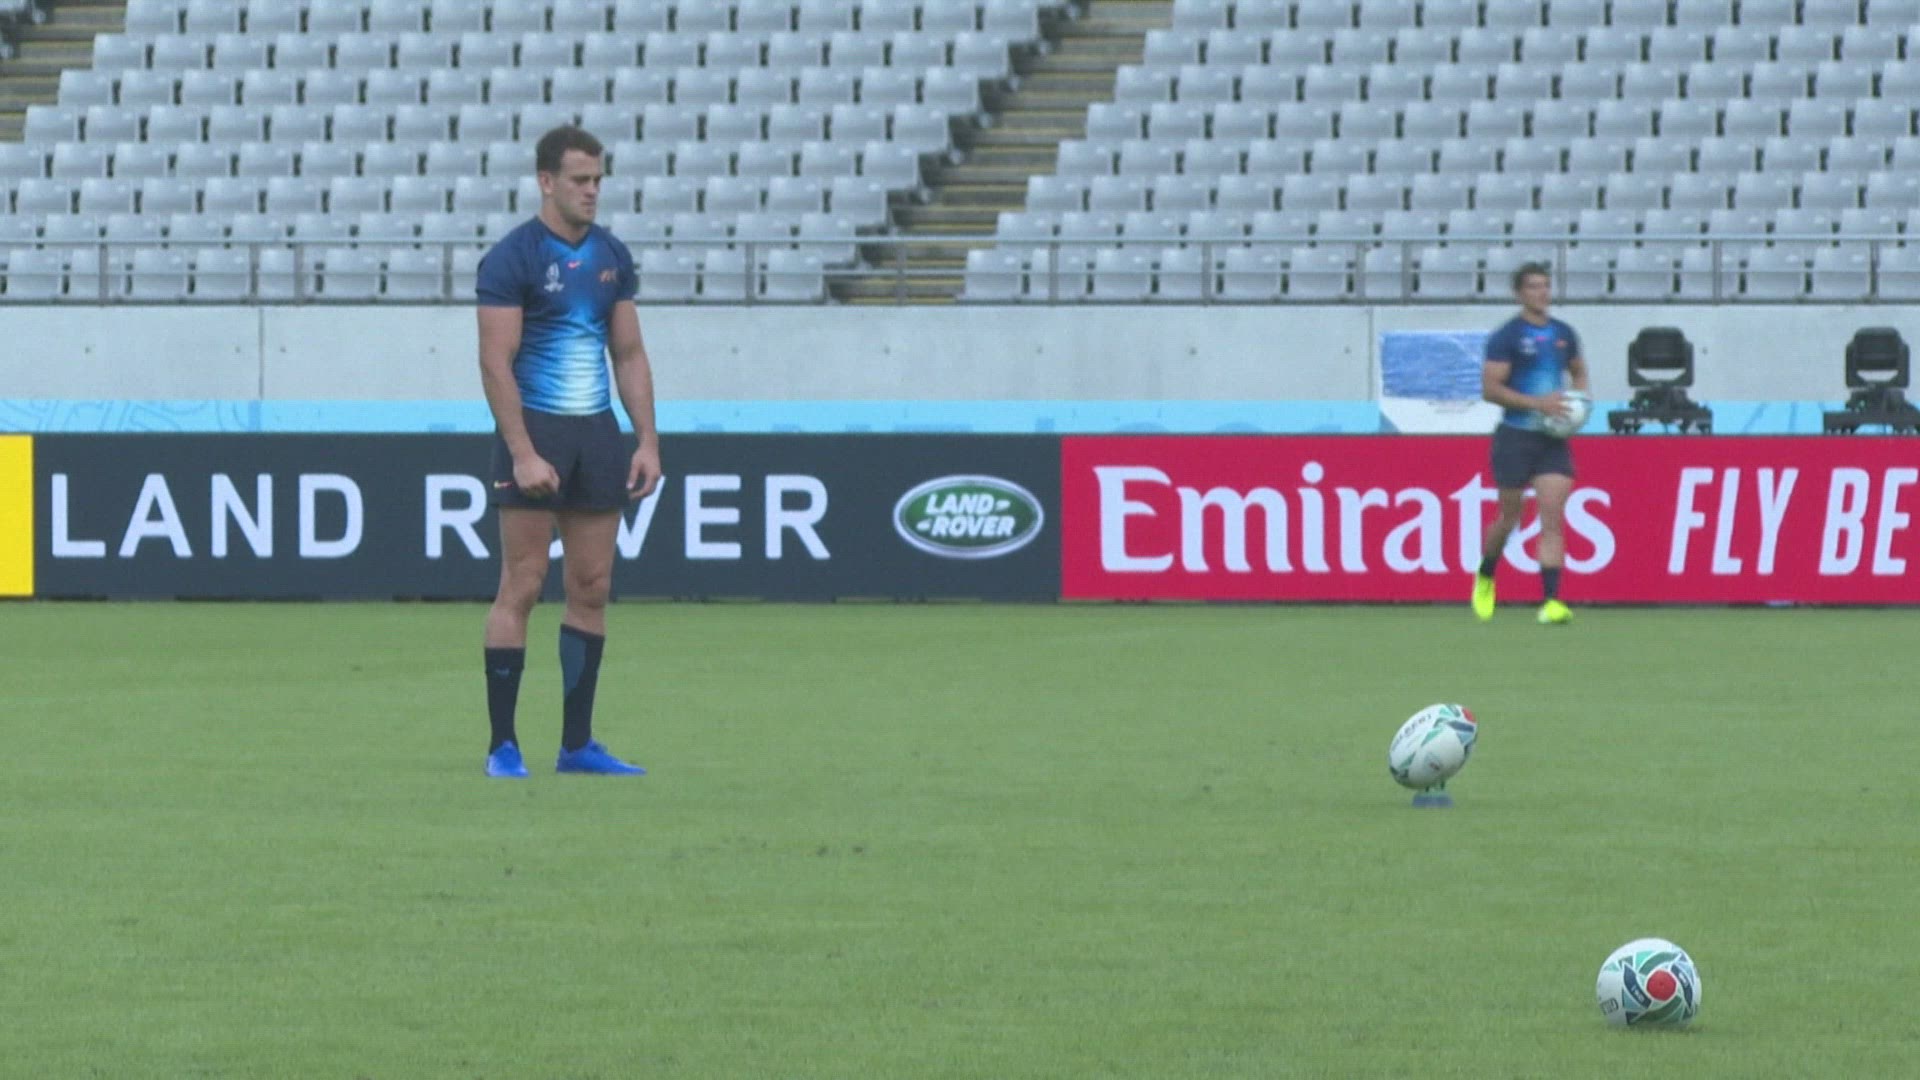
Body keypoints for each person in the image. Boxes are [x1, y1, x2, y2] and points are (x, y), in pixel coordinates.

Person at [474, 126, 662, 778]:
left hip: (596, 434)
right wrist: (522, 452)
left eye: (598, 180)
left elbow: (629, 354)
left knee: (591, 586)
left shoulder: (611, 255)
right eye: (580, 180)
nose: (592, 191)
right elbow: (495, 363)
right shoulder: (512, 258)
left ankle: (576, 746)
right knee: (522, 585)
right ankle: (503, 745)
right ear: (546, 181)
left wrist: (646, 440)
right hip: (536, 430)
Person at [1472, 262, 1589, 627]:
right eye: (1534, 287)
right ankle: (1486, 574)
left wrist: (1578, 406)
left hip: (1551, 440)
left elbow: (1578, 371)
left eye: (1546, 286)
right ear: (1520, 293)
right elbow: (1490, 389)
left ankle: (1551, 601)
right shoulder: (1507, 337)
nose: (1542, 293)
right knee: (1510, 516)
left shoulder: (1563, 333)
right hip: (1516, 436)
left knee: (1552, 517)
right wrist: (1538, 404)